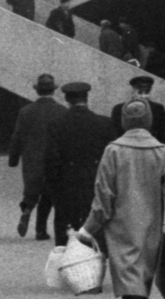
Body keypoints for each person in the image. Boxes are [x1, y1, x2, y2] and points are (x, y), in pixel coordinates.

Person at [75, 99, 165, 299]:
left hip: (120, 224)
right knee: (144, 274)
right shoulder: (161, 150)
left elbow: (103, 195)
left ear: (124, 121)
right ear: (149, 120)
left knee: (128, 275)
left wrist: (88, 228)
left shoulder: (113, 151)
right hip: (150, 223)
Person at [44, 81, 118, 246]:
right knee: (94, 236)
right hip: (94, 186)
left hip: (66, 187)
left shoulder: (56, 125)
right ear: (86, 98)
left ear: (67, 100)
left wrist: (54, 191)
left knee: (65, 237)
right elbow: (112, 161)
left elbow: (51, 163)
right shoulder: (104, 124)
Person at [8, 73, 67, 241]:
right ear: (53, 91)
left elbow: (17, 136)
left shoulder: (25, 111)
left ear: (37, 91)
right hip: (54, 159)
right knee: (50, 194)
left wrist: (13, 159)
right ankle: (41, 230)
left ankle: (27, 209)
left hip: (32, 159)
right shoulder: (61, 111)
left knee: (32, 191)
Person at [110, 75, 165, 146]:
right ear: (133, 92)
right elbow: (115, 134)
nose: (143, 96)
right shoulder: (119, 109)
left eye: (147, 92)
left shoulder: (158, 109)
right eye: (140, 92)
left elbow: (163, 135)